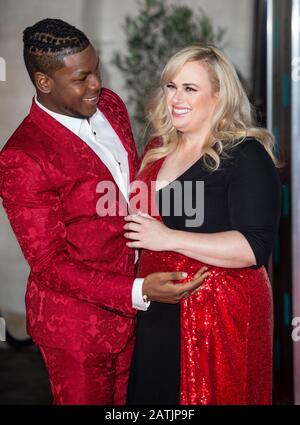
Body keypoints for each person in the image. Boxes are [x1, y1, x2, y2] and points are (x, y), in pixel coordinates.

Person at [0, 20, 208, 405]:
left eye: (96, 69)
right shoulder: (22, 157)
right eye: (81, 78)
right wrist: (138, 291)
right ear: (45, 83)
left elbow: (135, 186)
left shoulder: (109, 104)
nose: (96, 83)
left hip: (136, 314)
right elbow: (48, 263)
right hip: (75, 329)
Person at [125, 45, 281, 405]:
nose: (176, 98)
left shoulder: (245, 153)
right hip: (158, 307)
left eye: (190, 89)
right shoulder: (158, 148)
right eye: (171, 86)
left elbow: (254, 247)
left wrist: (167, 238)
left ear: (219, 95)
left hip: (218, 315)